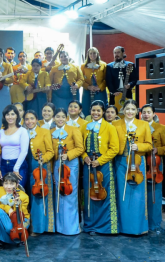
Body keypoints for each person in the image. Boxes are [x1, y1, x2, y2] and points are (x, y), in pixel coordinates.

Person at [113, 99, 152, 235]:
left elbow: (149, 145)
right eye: (127, 109)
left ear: (137, 111)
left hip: (137, 162)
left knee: (137, 195)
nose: (130, 112)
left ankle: (137, 228)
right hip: (120, 162)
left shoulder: (143, 125)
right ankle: (121, 227)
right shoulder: (115, 123)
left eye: (133, 109)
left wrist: (138, 146)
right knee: (121, 195)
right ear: (123, 110)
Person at [81, 101, 119, 235]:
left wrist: (100, 161)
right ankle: (89, 225)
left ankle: (105, 227)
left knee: (104, 195)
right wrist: (84, 156)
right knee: (89, 195)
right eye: (93, 110)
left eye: (98, 111)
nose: (95, 113)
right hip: (88, 165)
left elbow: (114, 149)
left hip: (103, 165)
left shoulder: (109, 127)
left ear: (103, 112)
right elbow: (81, 147)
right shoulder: (84, 126)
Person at [51, 108, 83, 235]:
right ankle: (59, 227)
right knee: (59, 194)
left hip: (70, 164)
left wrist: (68, 155)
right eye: (57, 116)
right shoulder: (51, 132)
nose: (60, 119)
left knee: (70, 194)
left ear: (66, 118)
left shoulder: (73, 130)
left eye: (63, 117)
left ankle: (71, 228)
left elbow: (80, 148)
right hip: (57, 164)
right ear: (54, 118)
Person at [23, 110, 55, 234]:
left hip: (40, 167)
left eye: (32, 118)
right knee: (28, 197)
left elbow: (50, 151)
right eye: (26, 119)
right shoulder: (23, 132)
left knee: (39, 197)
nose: (29, 121)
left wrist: (43, 159)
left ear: (37, 120)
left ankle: (39, 227)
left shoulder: (44, 132)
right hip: (26, 167)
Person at [0, 173, 30, 250]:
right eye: (6, 183)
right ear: (2, 184)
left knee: (8, 228)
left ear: (17, 185)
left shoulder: (24, 196)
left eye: (12, 184)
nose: (9, 187)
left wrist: (17, 205)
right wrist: (7, 208)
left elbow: (22, 215)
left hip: (20, 221)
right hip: (5, 217)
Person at [140, 104, 165, 232]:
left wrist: (158, 149)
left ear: (153, 114)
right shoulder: (138, 127)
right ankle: (142, 223)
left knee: (154, 194)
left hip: (155, 163)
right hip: (139, 163)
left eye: (148, 112)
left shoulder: (160, 128)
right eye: (143, 112)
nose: (146, 115)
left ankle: (154, 224)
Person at [0, 105, 29, 187]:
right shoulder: (1, 131)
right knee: (6, 191)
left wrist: (16, 168)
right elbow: (0, 151)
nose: (10, 117)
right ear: (4, 116)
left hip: (18, 164)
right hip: (4, 165)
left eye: (12, 114)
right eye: (7, 114)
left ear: (17, 115)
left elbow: (24, 151)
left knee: (18, 190)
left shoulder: (22, 131)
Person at [81, 47, 108, 117]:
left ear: (97, 54)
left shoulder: (103, 65)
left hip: (100, 91)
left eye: (94, 53)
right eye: (91, 53)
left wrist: (100, 87)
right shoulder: (83, 66)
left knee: (100, 107)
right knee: (87, 107)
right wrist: (88, 87)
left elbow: (106, 79)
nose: (92, 55)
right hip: (87, 91)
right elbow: (81, 79)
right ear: (88, 55)